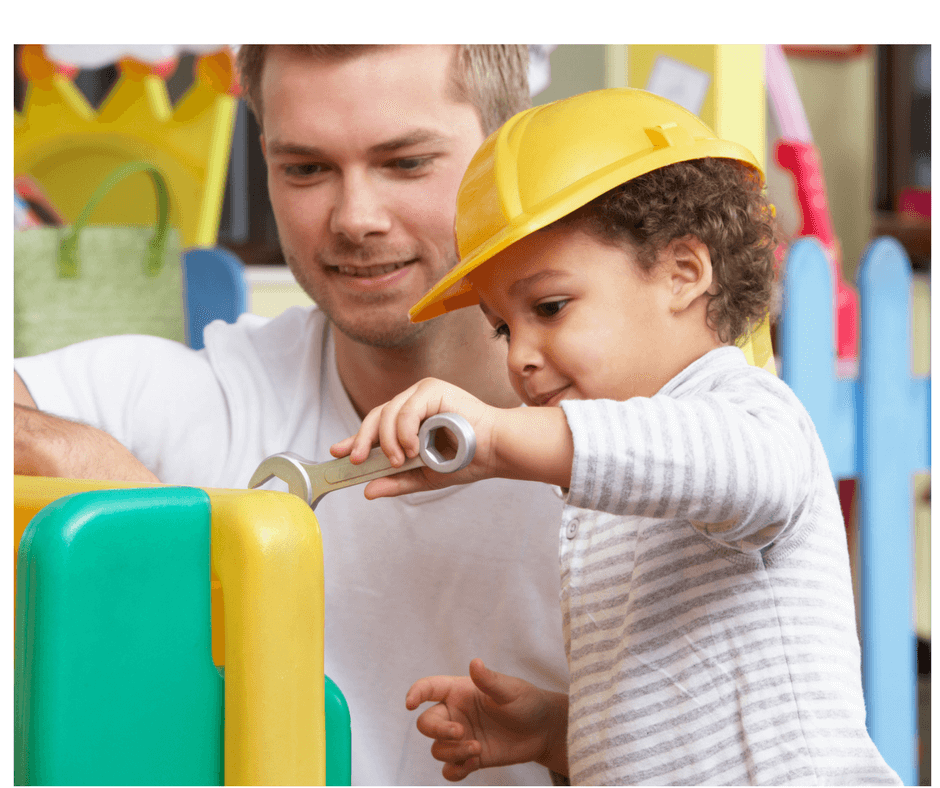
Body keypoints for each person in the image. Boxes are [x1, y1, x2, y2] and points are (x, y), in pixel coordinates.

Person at [13, 45, 570, 786]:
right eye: (305, 168)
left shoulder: (660, 438)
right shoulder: (216, 392)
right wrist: (84, 466)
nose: (355, 219)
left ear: (507, 157)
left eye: (405, 162)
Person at [332, 89, 903, 785]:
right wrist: (558, 732)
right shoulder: (603, 506)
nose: (518, 357)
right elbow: (674, 727)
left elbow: (719, 465)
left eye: (550, 307)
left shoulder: (750, 413)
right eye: (504, 327)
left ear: (682, 274)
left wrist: (501, 438)